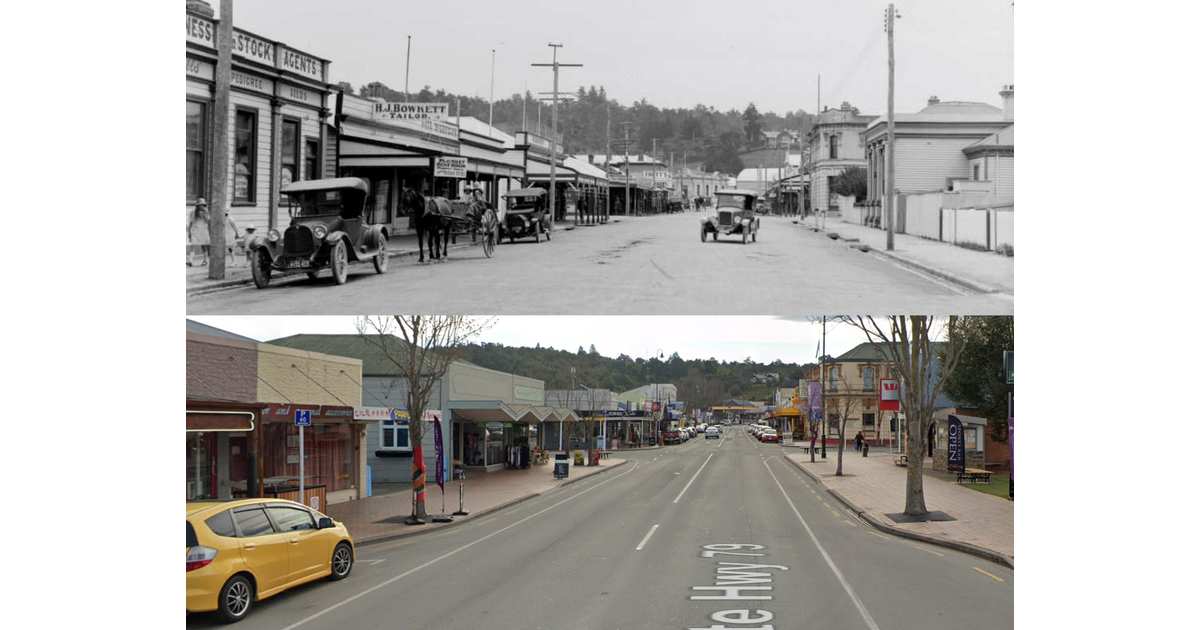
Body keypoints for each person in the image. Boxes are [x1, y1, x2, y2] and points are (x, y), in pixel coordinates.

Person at [187, 199, 211, 266]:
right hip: (195, 230)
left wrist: (205, 214)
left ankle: (205, 260)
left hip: (203, 231)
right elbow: (191, 222)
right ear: (197, 205)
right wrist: (189, 231)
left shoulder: (206, 212)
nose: (201, 206)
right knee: (193, 245)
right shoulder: (193, 212)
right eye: (200, 205)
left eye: (203, 205)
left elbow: (207, 221)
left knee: (204, 246)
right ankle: (190, 260)